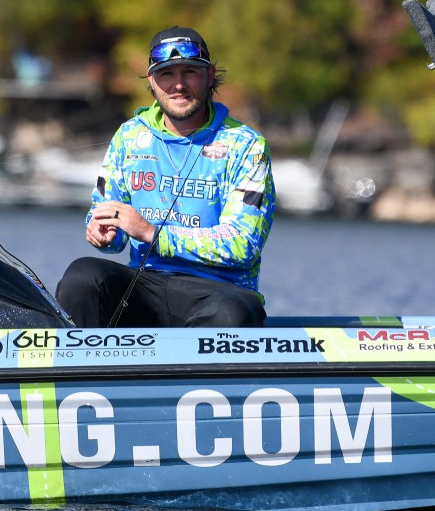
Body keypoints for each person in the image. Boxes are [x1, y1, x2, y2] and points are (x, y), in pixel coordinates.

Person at [56, 26, 276, 328]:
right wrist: (102, 233)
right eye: (166, 74)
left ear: (210, 76)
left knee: (232, 312)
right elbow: (108, 224)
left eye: (190, 72)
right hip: (145, 284)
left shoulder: (247, 145)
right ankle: (86, 360)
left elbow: (243, 245)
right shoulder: (129, 136)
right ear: (151, 81)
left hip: (220, 292)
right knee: (82, 277)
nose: (178, 85)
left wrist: (151, 233)